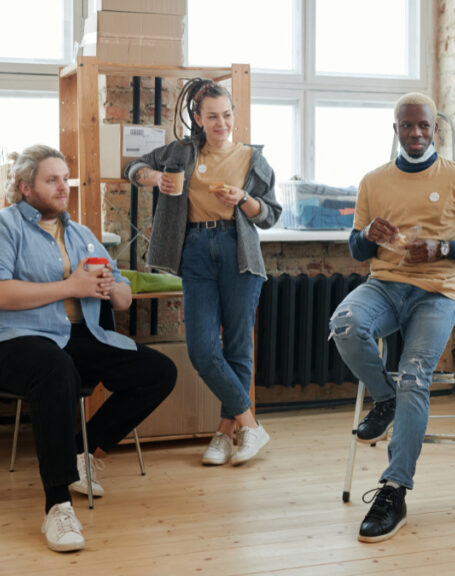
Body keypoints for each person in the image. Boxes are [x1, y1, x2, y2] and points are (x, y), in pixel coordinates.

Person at [0, 144, 177, 552]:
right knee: (54, 368)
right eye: (52, 180)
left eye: (65, 178)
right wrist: (70, 287)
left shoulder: (80, 233)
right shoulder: (0, 225)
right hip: (6, 340)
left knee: (158, 372)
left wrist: (113, 288)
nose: (64, 187)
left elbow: (124, 296)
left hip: (73, 338)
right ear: (25, 188)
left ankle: (82, 451)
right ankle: (57, 506)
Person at [331, 92, 455, 543]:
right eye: (408, 126)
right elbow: (357, 249)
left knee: (415, 375)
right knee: (344, 324)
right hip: (384, 285)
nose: (417, 133)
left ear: (435, 129)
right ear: (396, 130)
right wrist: (366, 234)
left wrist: (443, 248)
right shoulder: (373, 181)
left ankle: (394, 489)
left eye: (424, 126)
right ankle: (384, 399)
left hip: (437, 293)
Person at [126, 78, 281, 466]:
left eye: (227, 115)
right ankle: (250, 423)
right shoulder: (182, 152)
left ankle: (225, 434)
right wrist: (155, 178)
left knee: (237, 347)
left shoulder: (252, 159)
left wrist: (244, 199)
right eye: (212, 117)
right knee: (201, 348)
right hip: (195, 250)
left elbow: (271, 215)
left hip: (238, 252)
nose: (221, 123)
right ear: (198, 118)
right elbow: (134, 167)